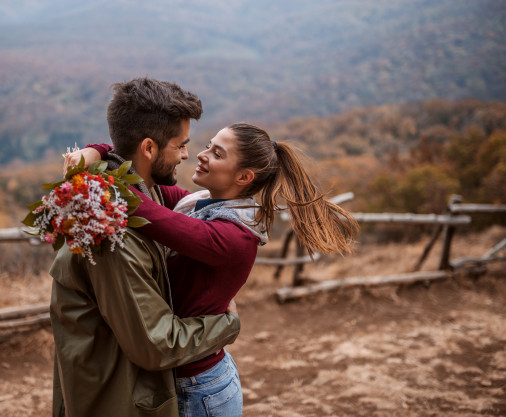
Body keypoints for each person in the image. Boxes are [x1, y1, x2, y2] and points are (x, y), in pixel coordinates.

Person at [69, 123, 358, 416]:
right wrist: (98, 150)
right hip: (182, 376)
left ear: (244, 177)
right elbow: (139, 180)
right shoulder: (197, 203)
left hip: (199, 388)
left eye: (217, 154)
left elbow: (137, 204)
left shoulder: (231, 237)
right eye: (208, 145)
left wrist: (96, 159)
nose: (201, 155)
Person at [49, 77, 243, 417]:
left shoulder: (137, 189)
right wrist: (226, 324)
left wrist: (96, 150)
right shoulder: (111, 231)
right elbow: (155, 345)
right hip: (117, 398)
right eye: (180, 145)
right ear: (149, 149)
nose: (187, 154)